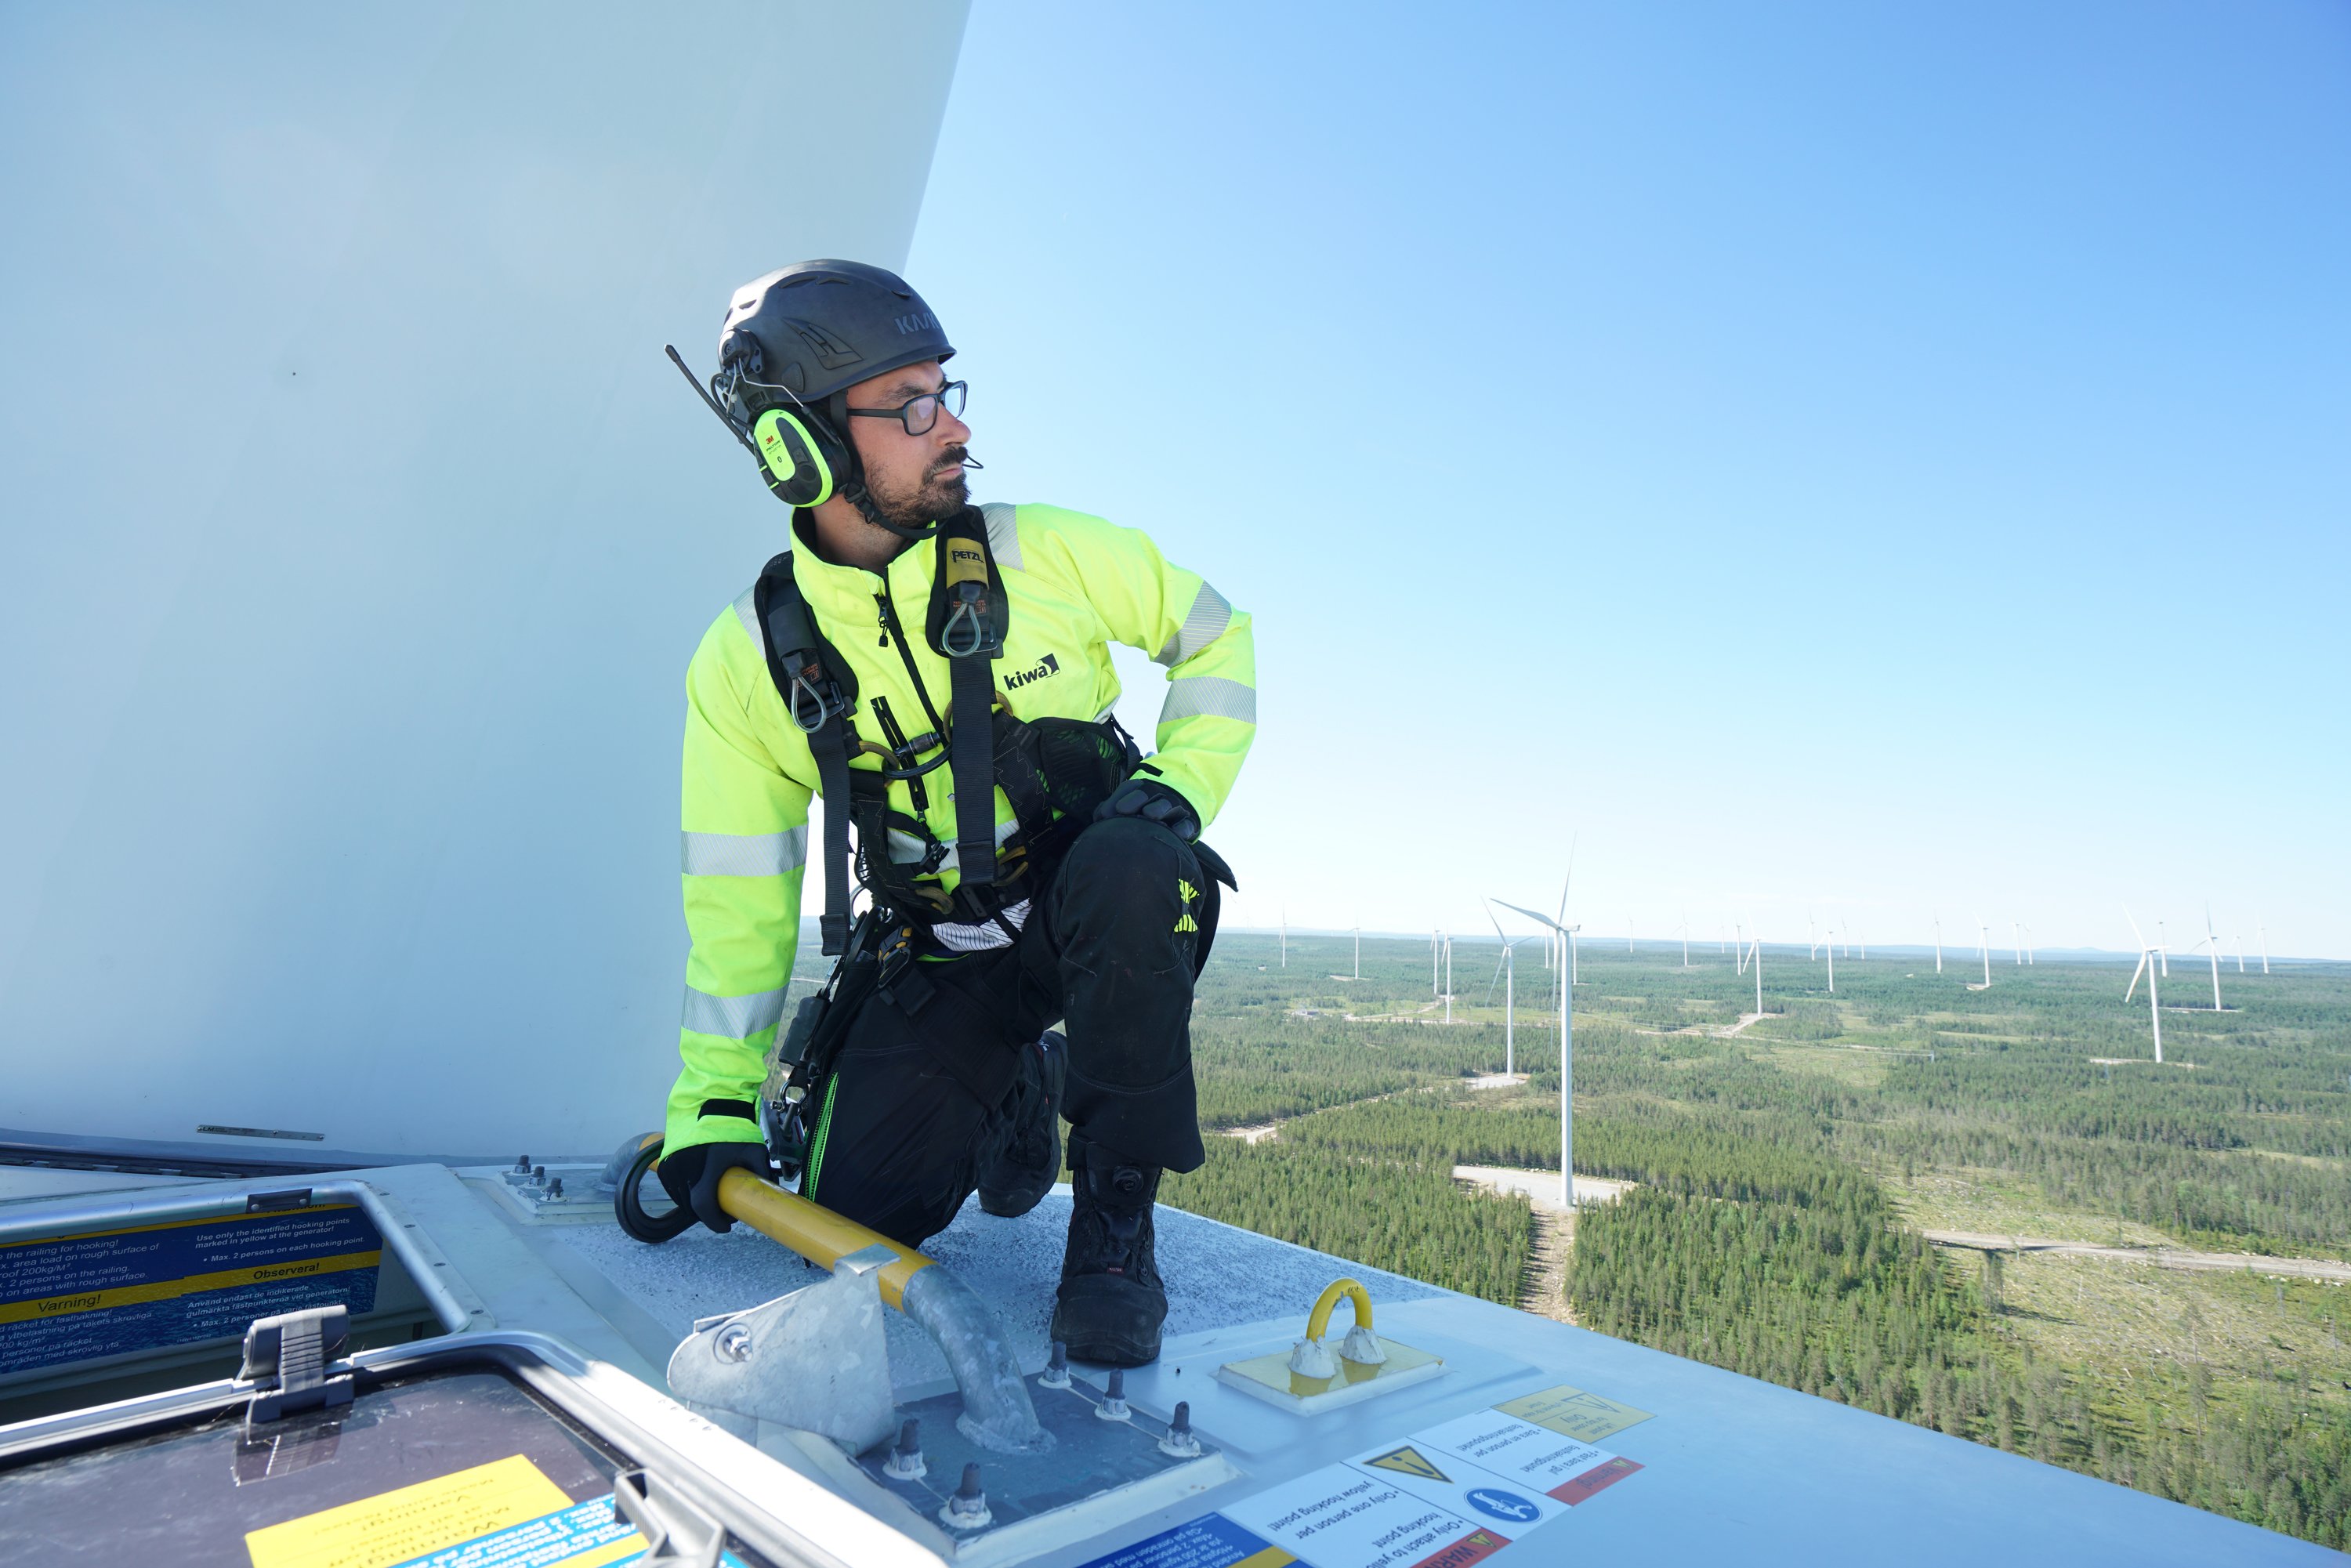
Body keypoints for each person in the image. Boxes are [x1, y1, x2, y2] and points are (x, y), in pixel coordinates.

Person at [654, 260, 1255, 1366]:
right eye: (915, 406)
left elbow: (1218, 635)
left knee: (1131, 864)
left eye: (951, 394)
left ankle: (1116, 1213)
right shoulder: (748, 664)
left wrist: (1182, 784)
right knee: (844, 1229)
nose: (955, 432)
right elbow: (738, 900)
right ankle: (1022, 1081)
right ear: (799, 446)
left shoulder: (1047, 553)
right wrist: (715, 1107)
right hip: (942, 954)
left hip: (1098, 919)